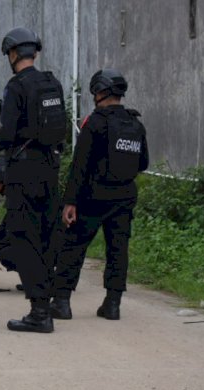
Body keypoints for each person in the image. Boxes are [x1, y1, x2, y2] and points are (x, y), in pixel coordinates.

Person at [0, 27, 67, 333]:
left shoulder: (16, 87)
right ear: (35, 52)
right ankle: (48, 301)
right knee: (45, 237)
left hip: (24, 173)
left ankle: (39, 312)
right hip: (50, 170)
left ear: (13, 53)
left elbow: (9, 131)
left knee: (24, 240)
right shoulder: (52, 83)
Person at [54, 69, 149, 321]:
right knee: (118, 249)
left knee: (73, 246)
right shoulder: (135, 124)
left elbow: (79, 165)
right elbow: (143, 163)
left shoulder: (95, 122)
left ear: (100, 92)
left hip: (93, 196)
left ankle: (62, 301)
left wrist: (69, 201)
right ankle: (113, 304)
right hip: (125, 196)